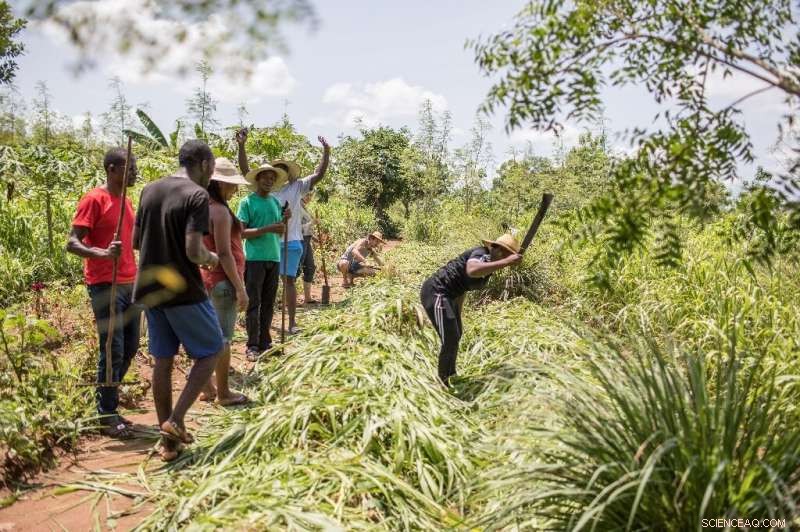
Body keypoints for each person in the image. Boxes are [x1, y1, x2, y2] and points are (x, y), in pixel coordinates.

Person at [133, 140, 224, 461]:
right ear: (201, 163)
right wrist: (211, 258)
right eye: (211, 167)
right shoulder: (196, 195)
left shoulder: (149, 190)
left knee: (163, 360)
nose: (211, 174)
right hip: (183, 289)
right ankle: (176, 420)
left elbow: (136, 242)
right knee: (212, 349)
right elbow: (193, 251)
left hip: (150, 288)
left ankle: (168, 444)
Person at [67, 148, 141, 439]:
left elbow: (130, 241)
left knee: (132, 345)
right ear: (112, 169)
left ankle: (107, 401)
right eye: (130, 167)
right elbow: (72, 243)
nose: (135, 172)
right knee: (113, 347)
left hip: (129, 283)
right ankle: (106, 413)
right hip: (105, 284)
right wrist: (102, 253)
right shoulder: (94, 199)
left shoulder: (127, 201)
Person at [237, 129, 331, 335]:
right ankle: (255, 322)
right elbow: (246, 171)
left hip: (291, 241)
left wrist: (326, 153)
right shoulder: (265, 190)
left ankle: (291, 323)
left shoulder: (297, 187)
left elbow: (318, 175)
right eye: (273, 171)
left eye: (280, 172)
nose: (274, 176)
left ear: (285, 175)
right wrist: (242, 146)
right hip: (265, 244)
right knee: (259, 286)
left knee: (288, 281)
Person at [420, 233, 523, 386]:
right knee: (450, 338)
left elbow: (462, 287)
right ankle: (443, 382)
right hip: (436, 292)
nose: (499, 253)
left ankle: (450, 374)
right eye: (498, 249)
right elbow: (472, 270)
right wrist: (507, 262)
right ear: (495, 248)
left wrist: (457, 315)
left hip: (449, 297)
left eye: (505, 253)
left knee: (456, 333)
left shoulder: (489, 267)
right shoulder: (482, 254)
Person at [198, 158, 250, 406]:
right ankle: (224, 394)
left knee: (208, 336)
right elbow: (224, 253)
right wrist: (240, 288)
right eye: (230, 185)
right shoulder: (218, 210)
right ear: (218, 184)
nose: (234, 190)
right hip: (222, 282)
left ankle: (207, 388)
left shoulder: (203, 207)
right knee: (223, 339)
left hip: (207, 280)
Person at [235, 129, 290, 360]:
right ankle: (252, 345)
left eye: (272, 178)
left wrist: (284, 220)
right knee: (254, 303)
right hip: (255, 259)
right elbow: (240, 233)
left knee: (269, 303)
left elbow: (279, 231)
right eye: (265, 177)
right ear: (257, 179)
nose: (269, 180)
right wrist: (270, 228)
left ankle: (266, 341)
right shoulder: (248, 201)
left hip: (274, 257)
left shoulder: (276, 203)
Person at [297, 193, 317, 305]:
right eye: (307, 195)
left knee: (310, 267)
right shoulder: (297, 207)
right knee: (297, 268)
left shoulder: (304, 207)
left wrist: (314, 238)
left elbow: (306, 228)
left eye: (311, 195)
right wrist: (312, 223)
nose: (309, 197)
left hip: (307, 240)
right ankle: (289, 299)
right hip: (299, 239)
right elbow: (296, 227)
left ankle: (307, 297)